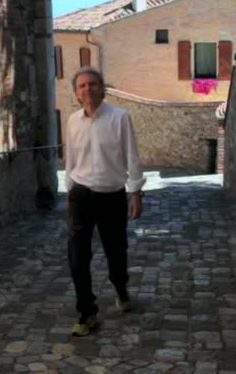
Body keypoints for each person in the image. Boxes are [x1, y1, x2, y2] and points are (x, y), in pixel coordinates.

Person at [64, 67, 145, 337]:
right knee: (77, 256)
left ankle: (121, 288)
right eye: (82, 86)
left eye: (93, 84)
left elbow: (132, 156)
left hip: (111, 196)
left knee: (116, 251)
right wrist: (69, 192)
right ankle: (87, 313)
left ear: (102, 88)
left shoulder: (120, 117)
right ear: (77, 93)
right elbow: (71, 160)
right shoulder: (73, 121)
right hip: (80, 196)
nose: (88, 89)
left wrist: (136, 193)